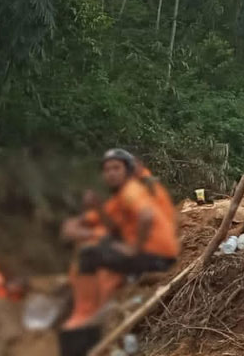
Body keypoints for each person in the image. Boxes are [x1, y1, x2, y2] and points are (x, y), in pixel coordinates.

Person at [59, 149, 179, 355]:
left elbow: (146, 216)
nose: (111, 173)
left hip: (155, 258)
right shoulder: (121, 196)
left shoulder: (131, 191)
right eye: (107, 169)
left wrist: (134, 248)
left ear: (128, 170)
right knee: (102, 241)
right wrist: (94, 209)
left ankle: (85, 312)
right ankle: (90, 304)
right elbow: (112, 225)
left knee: (90, 254)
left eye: (116, 168)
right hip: (154, 255)